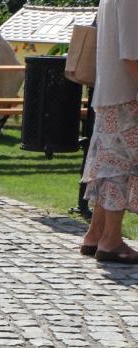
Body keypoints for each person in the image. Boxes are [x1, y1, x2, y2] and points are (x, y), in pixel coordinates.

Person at [78, 0, 138, 264]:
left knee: (107, 165)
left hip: (110, 91)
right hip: (127, 94)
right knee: (119, 168)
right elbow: (132, 54)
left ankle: (96, 234)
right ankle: (111, 240)